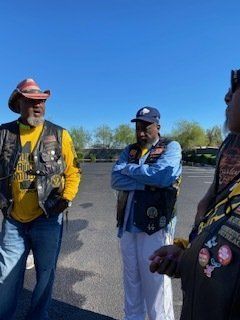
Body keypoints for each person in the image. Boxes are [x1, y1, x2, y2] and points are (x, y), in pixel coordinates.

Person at [150, 69, 240, 320]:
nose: (226, 97)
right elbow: (211, 209)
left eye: (235, 86)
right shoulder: (230, 142)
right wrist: (187, 254)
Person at [0, 78, 81, 320]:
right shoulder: (3, 134)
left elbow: (74, 171)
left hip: (48, 218)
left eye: (42, 101)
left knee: (46, 273)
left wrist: (65, 199)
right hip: (13, 220)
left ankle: (38, 316)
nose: (38, 106)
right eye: (32, 101)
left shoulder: (60, 134)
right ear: (19, 103)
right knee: (6, 276)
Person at [111, 106, 182, 320]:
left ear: (158, 126)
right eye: (138, 128)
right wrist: (146, 181)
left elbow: (162, 177)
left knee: (156, 284)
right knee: (131, 281)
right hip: (128, 224)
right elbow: (115, 179)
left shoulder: (171, 147)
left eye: (146, 127)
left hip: (156, 227)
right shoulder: (130, 150)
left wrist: (129, 171)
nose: (141, 133)